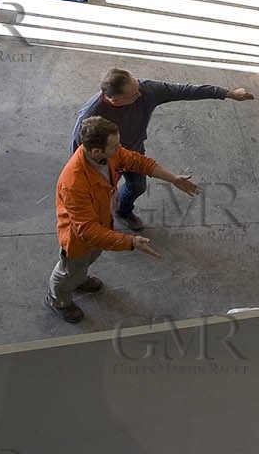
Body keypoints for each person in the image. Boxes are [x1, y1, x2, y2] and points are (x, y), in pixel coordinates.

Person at [48, 115, 200, 324]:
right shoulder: (74, 183)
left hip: (102, 224)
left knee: (87, 262)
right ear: (96, 151)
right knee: (69, 271)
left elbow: (138, 162)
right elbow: (87, 230)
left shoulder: (107, 155)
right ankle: (58, 300)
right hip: (78, 240)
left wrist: (173, 178)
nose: (120, 148)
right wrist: (130, 241)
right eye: (115, 146)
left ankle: (79, 280)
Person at [70, 68, 253, 231]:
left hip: (133, 152)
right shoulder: (90, 118)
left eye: (138, 86)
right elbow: (78, 153)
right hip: (104, 163)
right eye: (133, 94)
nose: (140, 94)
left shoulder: (145, 90)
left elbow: (184, 90)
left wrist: (228, 93)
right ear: (115, 100)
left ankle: (123, 211)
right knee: (100, 203)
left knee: (137, 186)